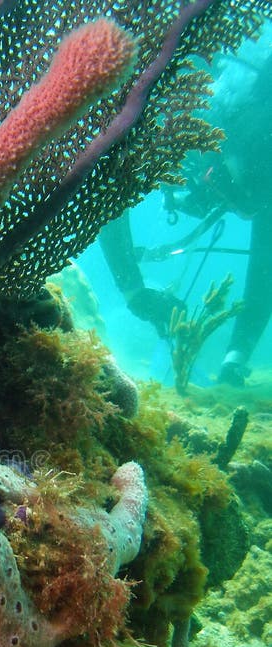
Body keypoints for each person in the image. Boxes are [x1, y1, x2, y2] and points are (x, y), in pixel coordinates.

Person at [100, 33, 272, 387]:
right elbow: (107, 186)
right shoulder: (190, 113)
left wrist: (235, 360)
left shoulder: (260, 174)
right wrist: (135, 292)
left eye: (251, 207)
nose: (243, 213)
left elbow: (264, 274)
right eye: (231, 189)